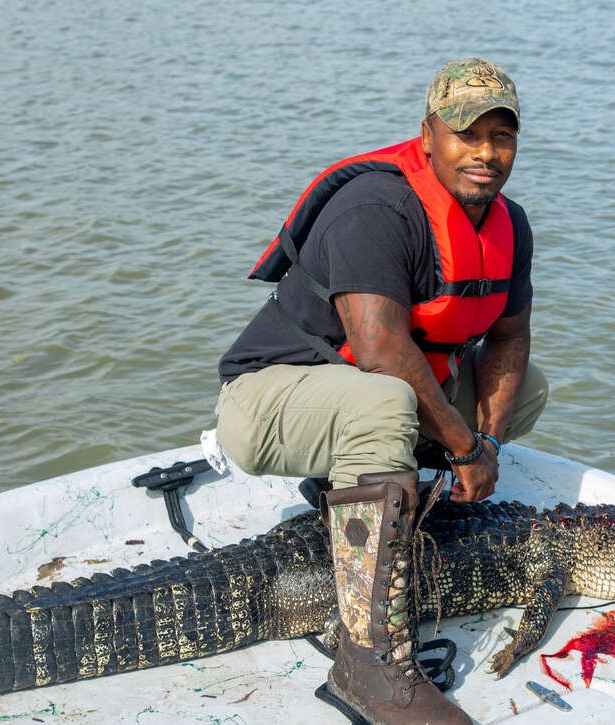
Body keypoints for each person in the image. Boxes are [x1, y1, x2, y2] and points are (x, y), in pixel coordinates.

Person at [215, 57, 548, 725]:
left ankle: (395, 503)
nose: (486, 153)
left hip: (362, 398)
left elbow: (509, 340)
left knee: (527, 387)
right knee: (386, 398)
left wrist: (483, 445)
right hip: (268, 401)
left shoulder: (509, 224)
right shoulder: (376, 207)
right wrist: (464, 447)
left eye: (501, 136)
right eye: (467, 133)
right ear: (428, 135)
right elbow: (380, 350)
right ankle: (366, 662)